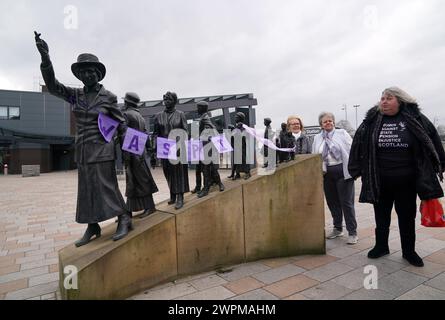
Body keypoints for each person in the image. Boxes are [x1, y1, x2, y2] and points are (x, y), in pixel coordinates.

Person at [34, 32, 132, 246]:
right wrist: (45, 58)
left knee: (107, 186)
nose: (88, 74)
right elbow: (53, 86)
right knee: (87, 190)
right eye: (84, 72)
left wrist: (127, 148)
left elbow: (121, 122)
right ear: (79, 76)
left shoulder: (109, 97)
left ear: (98, 74)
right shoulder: (74, 95)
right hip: (83, 150)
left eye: (91, 71)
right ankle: (92, 225)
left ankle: (124, 217)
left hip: (103, 149)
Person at [349, 87, 445, 267]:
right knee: (381, 216)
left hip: (407, 181)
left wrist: (440, 162)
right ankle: (381, 246)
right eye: (382, 98)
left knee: (407, 217)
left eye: (389, 98)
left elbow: (431, 139)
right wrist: (355, 168)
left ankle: (409, 251)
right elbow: (358, 144)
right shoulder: (372, 121)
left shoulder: (415, 119)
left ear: (399, 101)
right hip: (380, 180)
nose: (383, 101)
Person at [312, 112, 358, 245]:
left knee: (347, 203)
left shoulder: (342, 133)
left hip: (343, 172)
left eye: (330, 121)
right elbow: (315, 154)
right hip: (327, 174)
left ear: (333, 122)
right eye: (325, 121)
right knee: (332, 202)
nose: (328, 123)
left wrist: (355, 169)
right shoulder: (317, 138)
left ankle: (352, 232)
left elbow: (351, 149)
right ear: (321, 124)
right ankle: (337, 228)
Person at [122, 92, 159, 219]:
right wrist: (149, 150)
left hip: (131, 151)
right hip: (140, 151)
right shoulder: (140, 117)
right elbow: (145, 134)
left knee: (135, 179)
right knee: (137, 179)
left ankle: (150, 206)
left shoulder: (126, 114)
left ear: (127, 102)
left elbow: (122, 132)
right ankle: (129, 210)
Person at [151, 91, 190, 209]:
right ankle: (172, 194)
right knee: (167, 172)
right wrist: (154, 149)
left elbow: (186, 131)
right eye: (165, 99)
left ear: (174, 101)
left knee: (178, 173)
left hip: (177, 148)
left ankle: (180, 196)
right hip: (164, 148)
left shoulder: (180, 114)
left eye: (169, 99)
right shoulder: (158, 116)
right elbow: (155, 134)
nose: (166, 101)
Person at [195, 101, 224, 198]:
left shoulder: (205, 118)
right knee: (207, 168)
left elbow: (212, 127)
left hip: (207, 147)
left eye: (198, 107)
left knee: (206, 168)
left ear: (202, 108)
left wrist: (212, 138)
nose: (197, 109)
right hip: (205, 146)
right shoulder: (204, 117)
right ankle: (216, 184)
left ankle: (207, 188)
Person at [228, 112, 251, 180]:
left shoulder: (243, 127)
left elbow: (244, 136)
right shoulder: (237, 126)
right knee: (237, 160)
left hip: (242, 147)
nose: (235, 118)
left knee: (244, 159)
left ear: (240, 118)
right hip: (237, 146)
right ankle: (237, 173)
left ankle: (248, 173)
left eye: (237, 117)